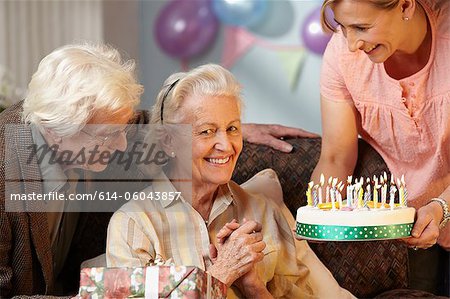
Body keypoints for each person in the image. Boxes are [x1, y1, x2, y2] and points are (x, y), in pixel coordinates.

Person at [246, 0, 449, 295]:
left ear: (405, 5)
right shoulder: (342, 54)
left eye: (361, 27)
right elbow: (336, 157)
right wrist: (315, 219)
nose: (351, 44)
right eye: (342, 27)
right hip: (413, 225)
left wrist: (442, 207)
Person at [106, 64, 355, 298]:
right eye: (207, 131)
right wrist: (222, 274)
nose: (226, 146)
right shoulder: (132, 225)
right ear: (169, 141)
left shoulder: (265, 211)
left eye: (233, 129)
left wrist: (253, 286)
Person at [0, 43, 144, 297]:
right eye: (109, 136)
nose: (122, 145)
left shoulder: (74, 122)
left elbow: (148, 120)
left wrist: (228, 128)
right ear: (57, 131)